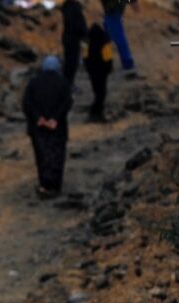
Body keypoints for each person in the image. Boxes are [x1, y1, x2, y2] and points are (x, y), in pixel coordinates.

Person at [22, 56, 73, 198]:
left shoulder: (33, 83)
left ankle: (44, 184)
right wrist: (54, 119)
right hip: (57, 127)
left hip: (38, 128)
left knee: (41, 155)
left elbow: (27, 103)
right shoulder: (63, 83)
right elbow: (67, 103)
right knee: (57, 154)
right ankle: (55, 186)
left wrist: (39, 118)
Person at [84, 22, 115, 122]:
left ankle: (96, 112)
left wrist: (88, 68)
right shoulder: (105, 40)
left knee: (97, 91)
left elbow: (85, 57)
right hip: (102, 70)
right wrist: (109, 68)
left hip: (92, 70)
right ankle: (95, 112)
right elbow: (108, 57)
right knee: (102, 92)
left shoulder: (87, 40)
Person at [101, 0, 136, 76]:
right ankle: (107, 62)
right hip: (110, 9)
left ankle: (128, 65)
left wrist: (133, 2)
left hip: (112, 9)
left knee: (118, 36)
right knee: (107, 36)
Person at [60, 0, 88, 88]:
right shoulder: (74, 8)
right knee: (71, 64)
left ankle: (67, 83)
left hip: (69, 38)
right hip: (73, 39)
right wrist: (85, 33)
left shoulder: (67, 7)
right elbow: (78, 24)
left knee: (69, 63)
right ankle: (68, 84)